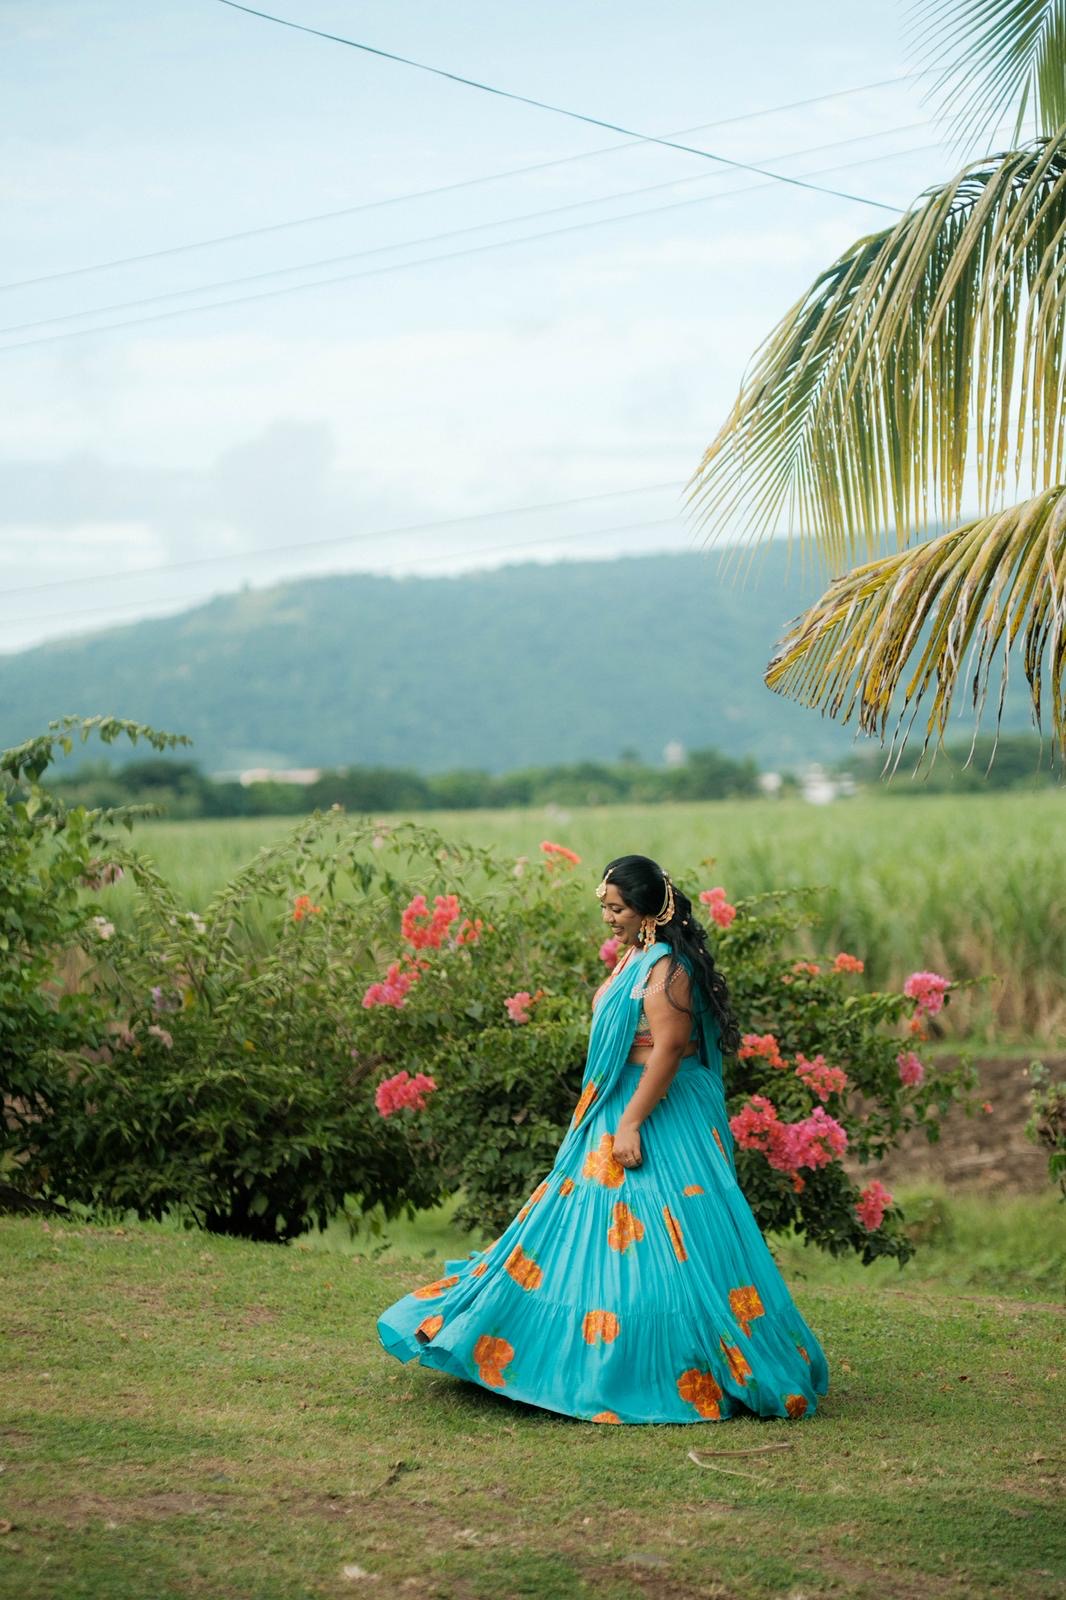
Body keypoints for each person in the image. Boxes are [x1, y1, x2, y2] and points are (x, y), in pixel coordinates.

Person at [376, 854, 829, 1424]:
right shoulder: (635, 959)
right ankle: (578, 1356)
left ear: (646, 909)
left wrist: (631, 1123)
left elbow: (668, 1051)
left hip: (655, 1111)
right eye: (605, 908)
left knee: (673, 1235)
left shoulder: (668, 971)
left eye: (616, 908)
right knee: (592, 1229)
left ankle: (671, 1365)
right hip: (619, 1102)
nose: (607, 917)